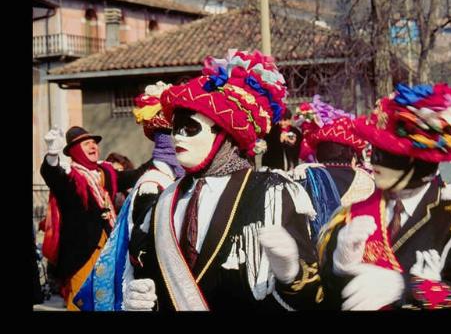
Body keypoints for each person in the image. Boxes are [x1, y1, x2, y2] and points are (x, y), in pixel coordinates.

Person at [121, 50, 322, 311]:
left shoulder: (270, 192)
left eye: (190, 128)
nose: (178, 138)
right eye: (175, 128)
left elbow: (312, 297)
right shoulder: (163, 201)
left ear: (226, 134)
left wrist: (290, 274)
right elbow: (147, 274)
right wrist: (139, 299)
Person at [317, 83, 451, 310]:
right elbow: (326, 298)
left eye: (388, 154)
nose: (374, 161)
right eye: (374, 151)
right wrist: (338, 267)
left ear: (422, 161)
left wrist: (407, 287)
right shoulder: (348, 217)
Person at [73, 80, 184, 311]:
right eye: (176, 133)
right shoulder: (151, 185)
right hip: (86, 246)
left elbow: (133, 173)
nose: (182, 140)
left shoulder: (108, 173)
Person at [40, 126, 151, 310]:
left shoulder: (106, 173)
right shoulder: (70, 177)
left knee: (110, 302)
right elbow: (52, 175)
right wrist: (52, 155)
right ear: (75, 150)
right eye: (86, 143)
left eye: (94, 143)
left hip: (109, 249)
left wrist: (162, 149)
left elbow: (134, 175)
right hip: (80, 256)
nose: (93, 146)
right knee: (82, 304)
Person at [293, 116, 374, 240]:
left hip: (311, 252)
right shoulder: (367, 181)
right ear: (351, 155)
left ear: (319, 154)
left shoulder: (302, 176)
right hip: (356, 250)